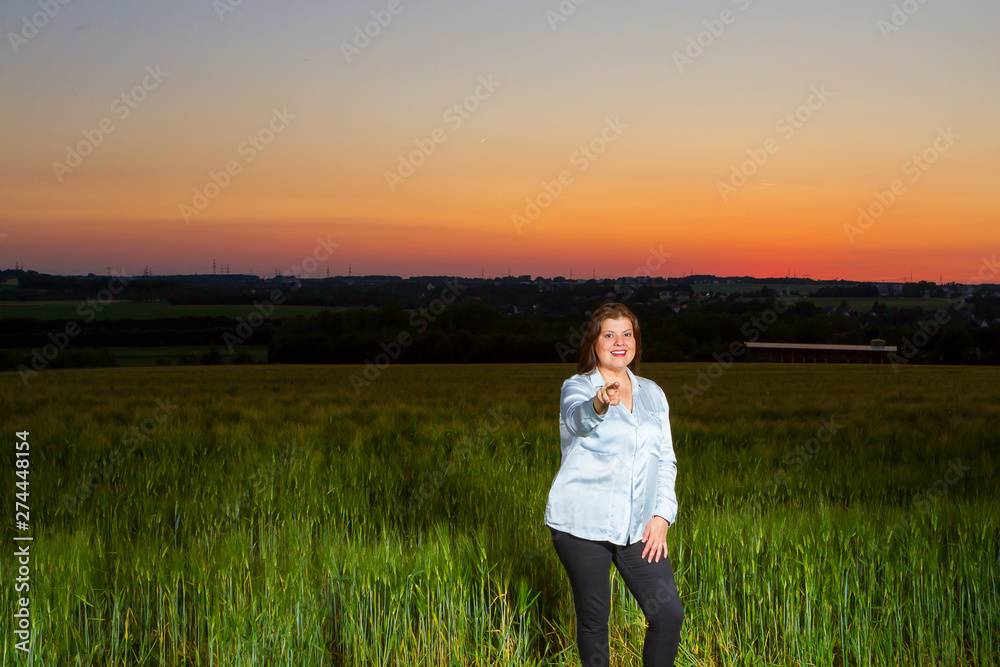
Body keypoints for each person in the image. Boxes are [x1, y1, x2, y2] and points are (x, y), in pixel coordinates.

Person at [544, 302, 684, 666]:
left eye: (627, 334)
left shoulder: (653, 393)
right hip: (581, 525)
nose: (619, 342)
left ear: (636, 342)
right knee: (595, 623)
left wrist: (662, 516)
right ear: (594, 342)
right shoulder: (576, 387)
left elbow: (665, 459)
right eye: (609, 334)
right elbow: (578, 420)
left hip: (639, 525)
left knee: (668, 615)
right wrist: (600, 403)